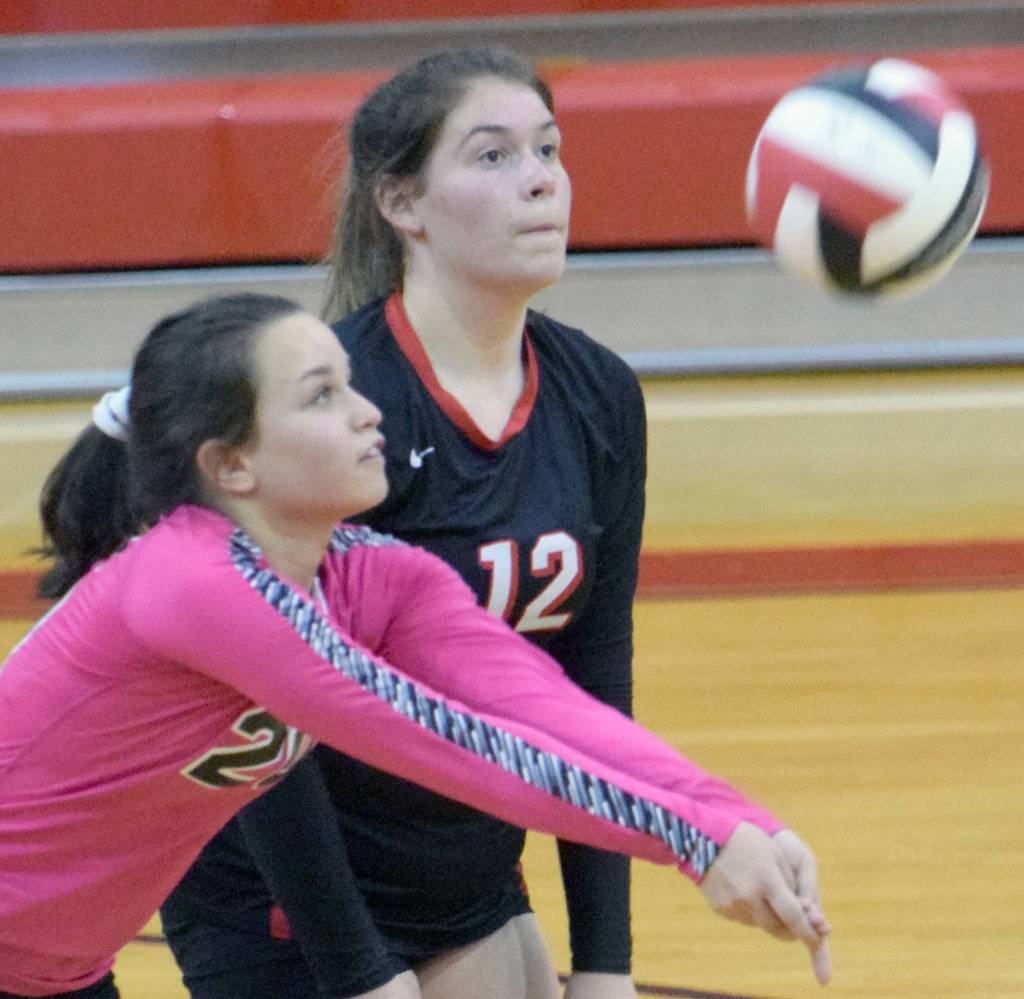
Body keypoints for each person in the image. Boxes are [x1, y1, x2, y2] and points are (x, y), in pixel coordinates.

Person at [157, 48, 829, 999]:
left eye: (548, 149)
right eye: (493, 155)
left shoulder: (597, 394)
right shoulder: (340, 406)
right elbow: (262, 714)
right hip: (282, 889)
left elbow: (592, 682)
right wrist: (360, 972)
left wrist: (605, 962)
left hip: (461, 868)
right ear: (402, 203)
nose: (541, 179)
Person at [0, 292, 830, 999]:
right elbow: (449, 743)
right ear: (231, 464)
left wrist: (735, 816)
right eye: (321, 397)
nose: (367, 412)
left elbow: (544, 708)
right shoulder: (193, 582)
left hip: (58, 969)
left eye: (350, 384)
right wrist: (689, 840)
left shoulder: (377, 575)